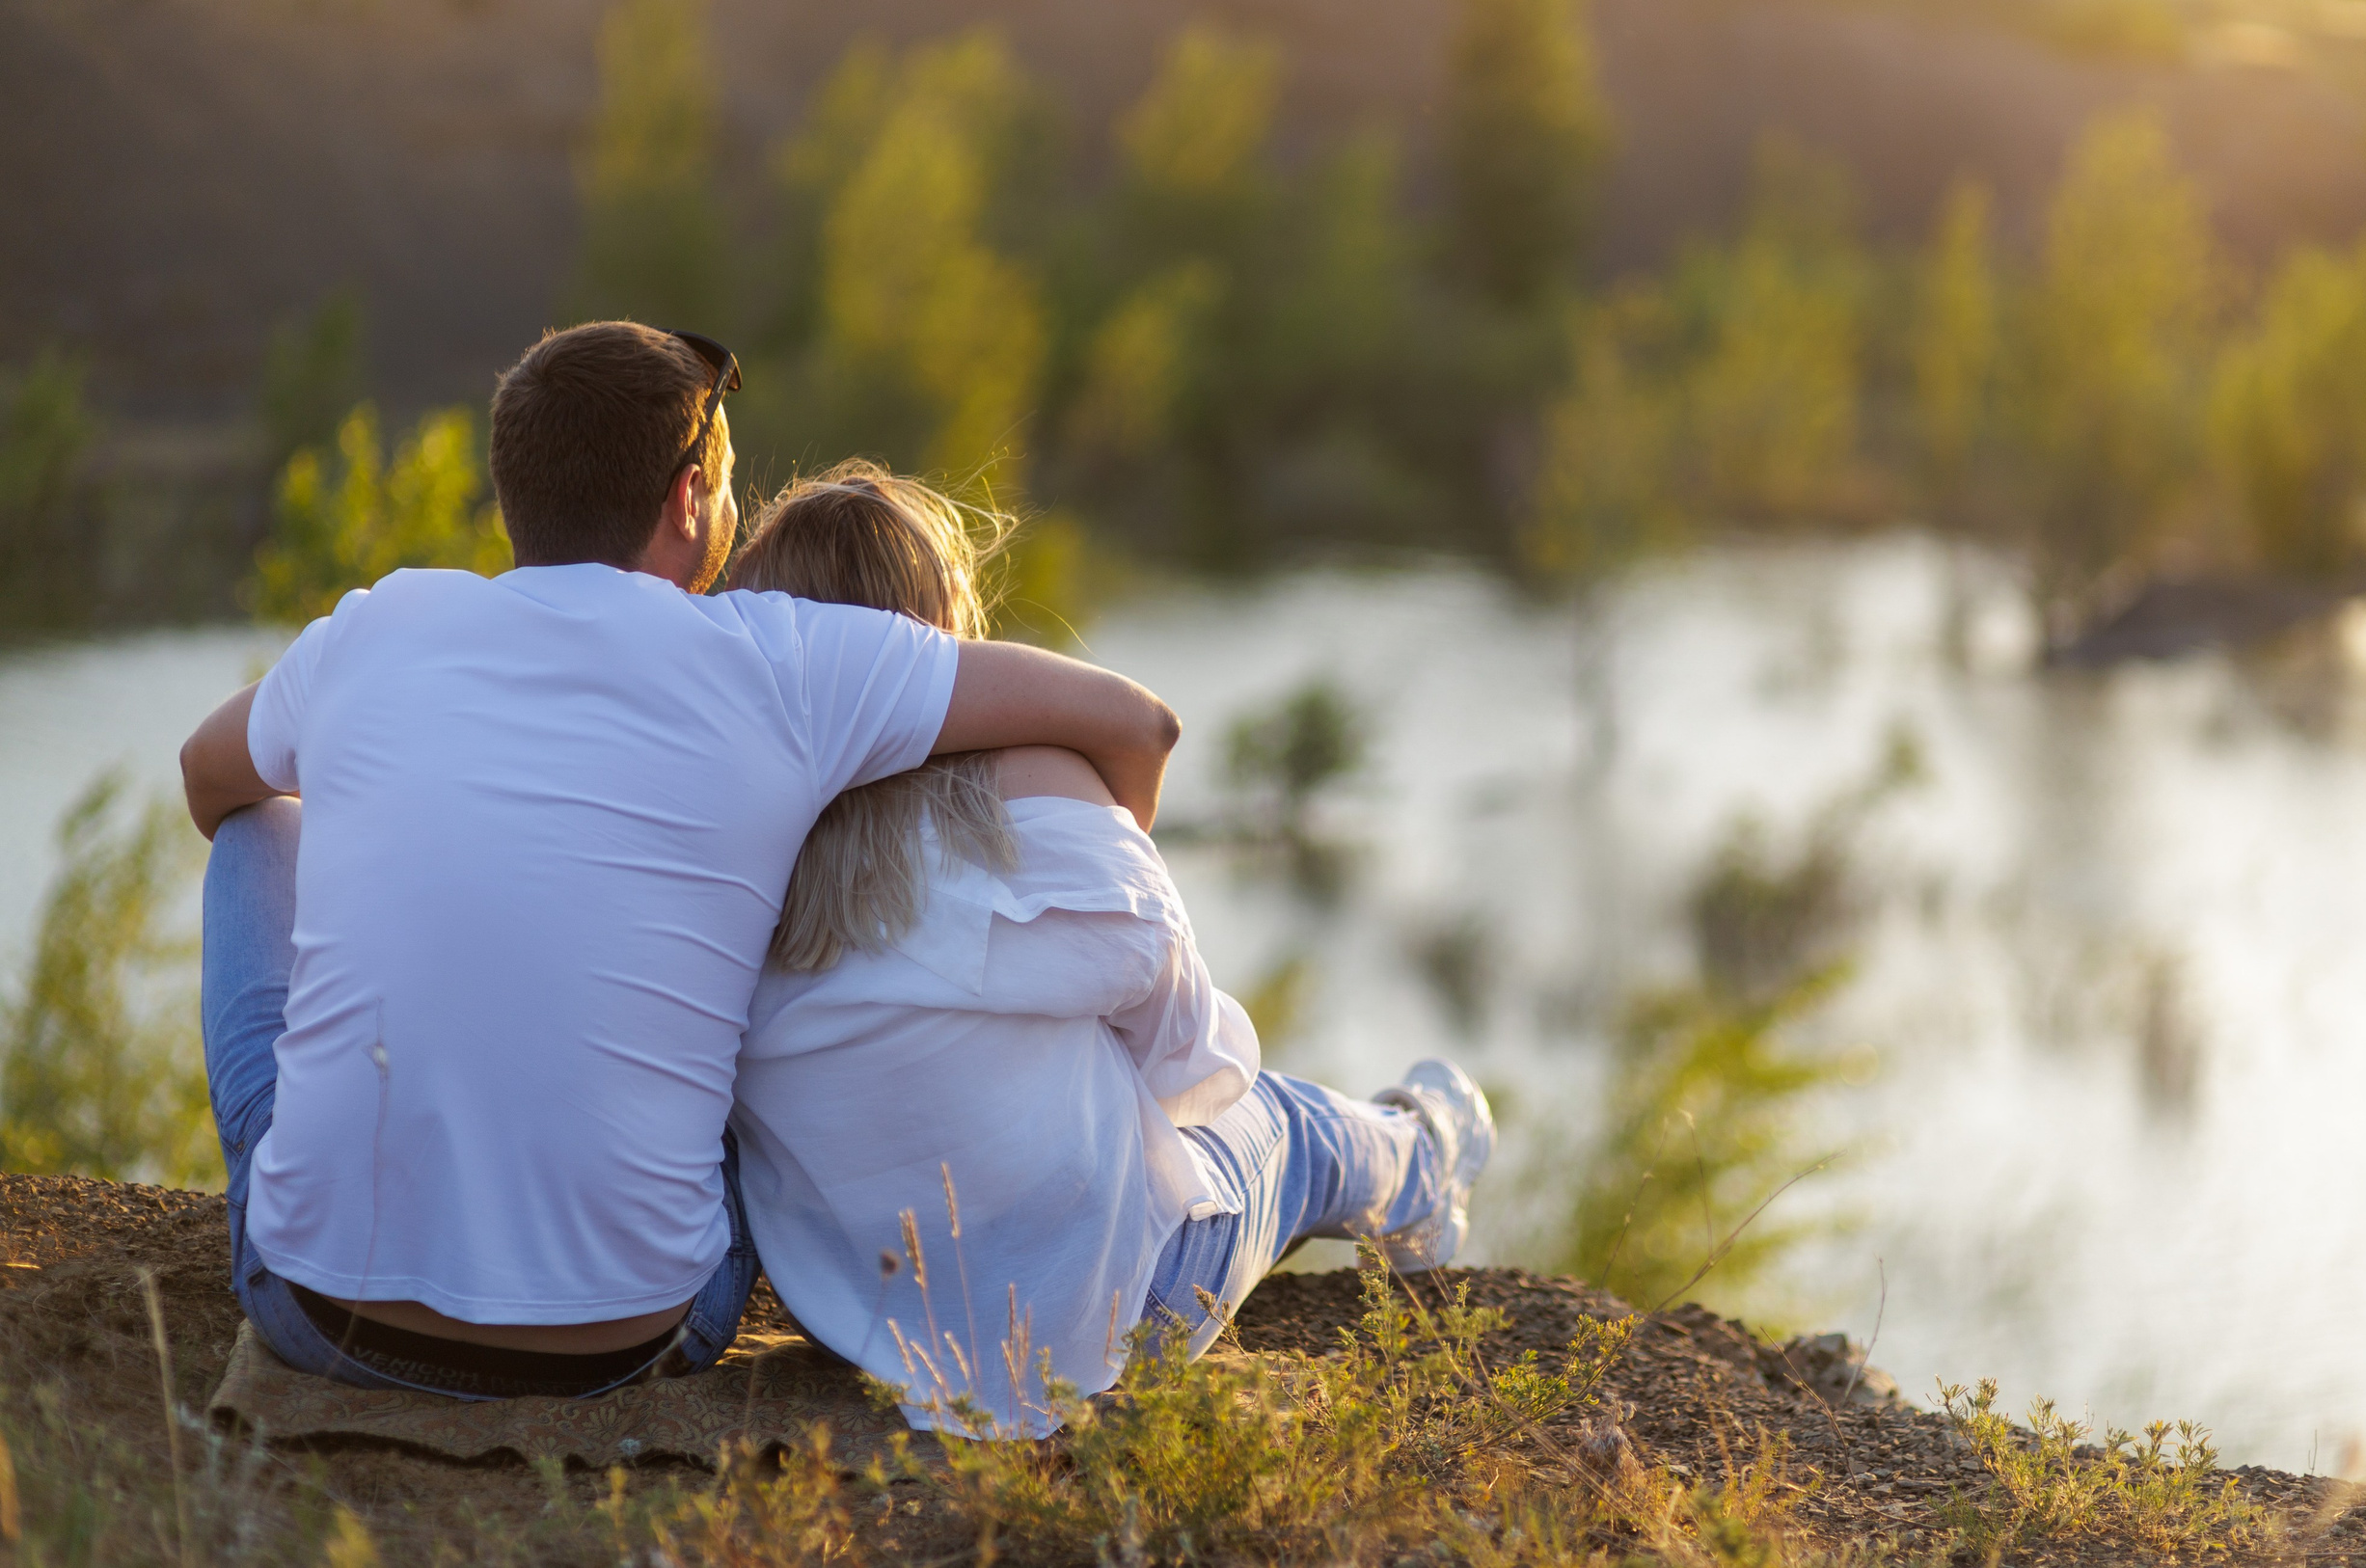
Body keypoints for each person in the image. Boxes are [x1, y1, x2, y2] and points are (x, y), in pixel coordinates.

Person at [177, 322, 1183, 1401]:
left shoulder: (373, 629)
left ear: (514, 491)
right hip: (639, 1332)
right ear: (689, 497)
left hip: (319, 1309)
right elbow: (1137, 723)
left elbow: (209, 778)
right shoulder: (780, 659)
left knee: (261, 829)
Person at [723, 467, 1495, 1436]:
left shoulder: (731, 855)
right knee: (1286, 1124)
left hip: (855, 1318)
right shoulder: (1034, 788)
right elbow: (1195, 1059)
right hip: (1117, 1315)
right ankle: (1428, 1158)